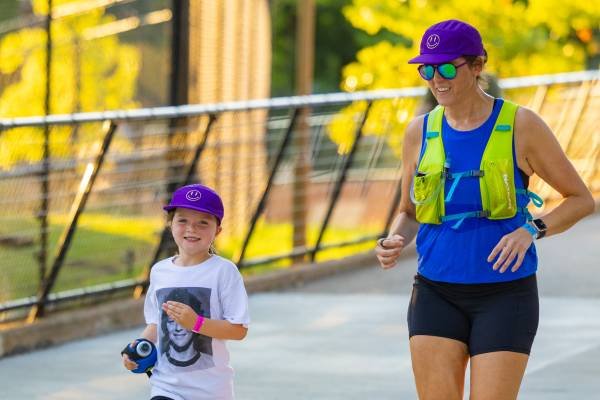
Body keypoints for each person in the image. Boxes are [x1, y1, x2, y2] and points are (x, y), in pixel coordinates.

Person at [375, 19, 594, 400]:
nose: (436, 79)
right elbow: (409, 212)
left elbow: (580, 199)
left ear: (478, 66)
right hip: (435, 291)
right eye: (427, 69)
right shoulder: (418, 132)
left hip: (505, 294)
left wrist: (532, 229)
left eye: (447, 68)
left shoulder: (521, 125)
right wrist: (393, 239)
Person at [122, 183, 250, 400]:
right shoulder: (160, 271)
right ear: (170, 224)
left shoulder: (224, 271)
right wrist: (136, 349)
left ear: (217, 230)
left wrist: (196, 323)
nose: (192, 229)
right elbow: (156, 323)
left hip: (211, 391)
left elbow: (238, 330)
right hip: (166, 387)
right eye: (182, 221)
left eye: (203, 223)